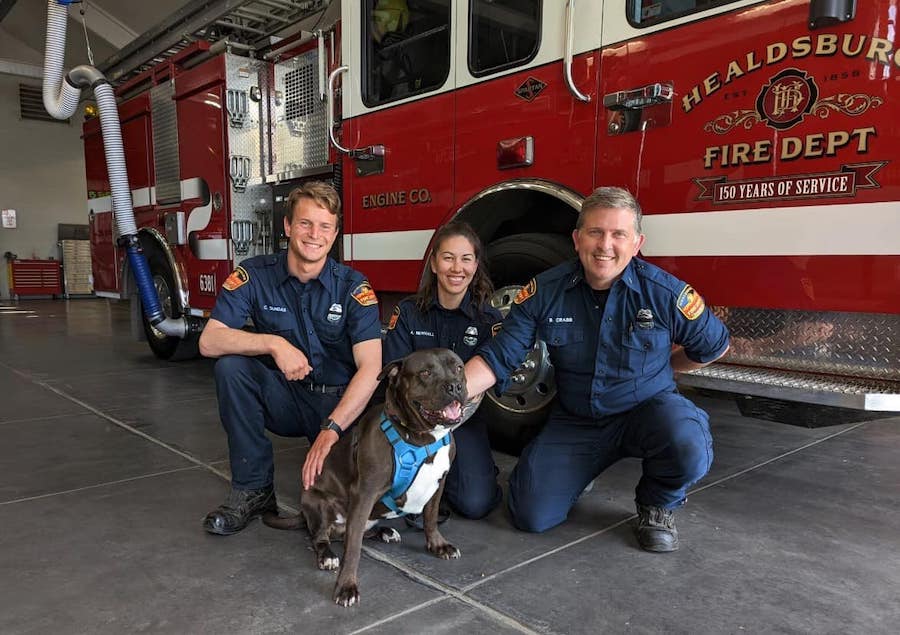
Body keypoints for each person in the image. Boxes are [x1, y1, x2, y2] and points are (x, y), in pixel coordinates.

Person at [465, 186, 730, 552]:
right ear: (576, 239)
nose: (605, 245)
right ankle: (578, 471)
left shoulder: (664, 293)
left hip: (645, 412)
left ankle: (657, 503)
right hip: (577, 422)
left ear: (636, 243)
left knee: (687, 442)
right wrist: (446, 397)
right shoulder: (545, 290)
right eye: (595, 232)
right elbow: (501, 357)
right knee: (530, 514)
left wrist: (668, 370)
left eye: (618, 234)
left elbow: (714, 345)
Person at [199, 181, 382, 536]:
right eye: (305, 223)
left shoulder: (353, 287)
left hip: (341, 407)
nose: (315, 234)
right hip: (289, 398)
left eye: (325, 226)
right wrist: (272, 344)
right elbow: (209, 341)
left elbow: (372, 367)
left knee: (347, 502)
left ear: (335, 233)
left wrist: (332, 429)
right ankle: (253, 489)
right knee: (231, 367)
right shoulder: (255, 275)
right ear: (286, 227)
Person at [383, 222, 504, 526]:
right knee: (395, 494)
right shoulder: (409, 312)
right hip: (413, 422)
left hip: (460, 422)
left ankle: (468, 474)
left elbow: (491, 383)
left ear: (476, 265)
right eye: (448, 258)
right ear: (434, 263)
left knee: (476, 503)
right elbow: (393, 375)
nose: (457, 268)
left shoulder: (488, 319)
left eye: (466, 259)